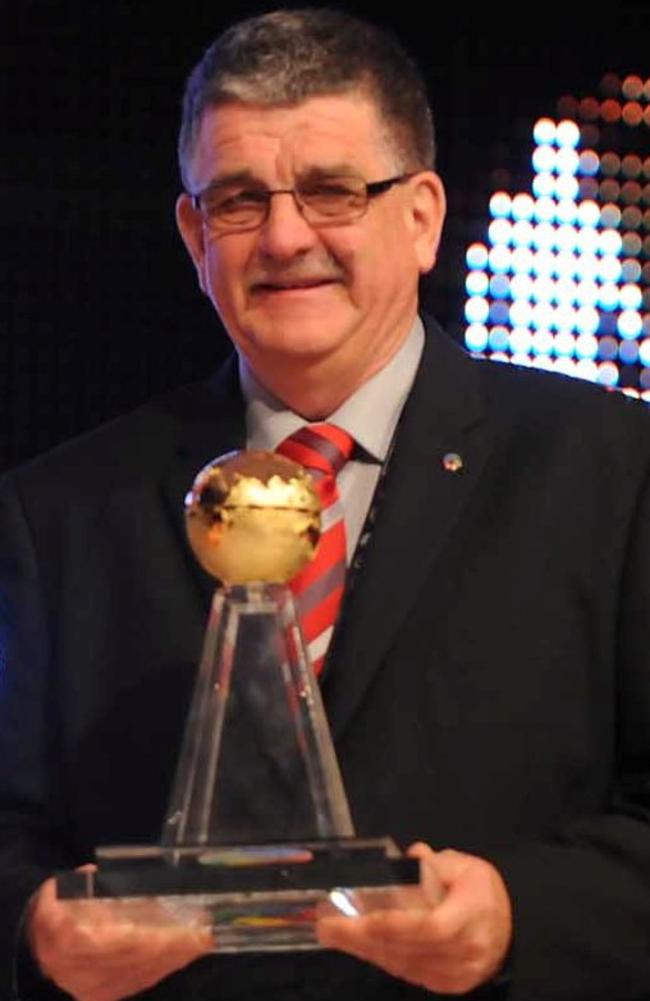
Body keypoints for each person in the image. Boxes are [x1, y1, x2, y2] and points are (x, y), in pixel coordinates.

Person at [1, 8, 650, 1001]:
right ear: (192, 235)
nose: (285, 235)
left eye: (331, 191)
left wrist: (519, 914)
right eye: (237, 199)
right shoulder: (58, 512)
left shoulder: (614, 470)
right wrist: (33, 931)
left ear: (423, 215)